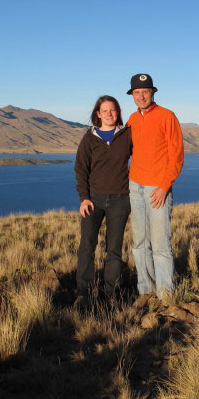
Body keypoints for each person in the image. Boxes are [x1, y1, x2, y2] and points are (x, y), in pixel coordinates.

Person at [126, 73, 184, 306]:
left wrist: (163, 186)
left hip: (157, 188)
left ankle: (166, 294)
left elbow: (177, 156)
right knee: (140, 242)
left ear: (153, 93)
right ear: (132, 95)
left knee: (160, 244)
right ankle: (145, 290)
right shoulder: (132, 118)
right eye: (137, 93)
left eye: (145, 92)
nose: (141, 96)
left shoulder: (167, 117)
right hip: (134, 186)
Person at [74, 95, 132, 307]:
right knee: (87, 246)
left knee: (114, 249)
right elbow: (81, 169)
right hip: (94, 201)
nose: (109, 114)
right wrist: (84, 198)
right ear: (97, 114)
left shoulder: (127, 135)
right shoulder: (89, 138)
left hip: (121, 200)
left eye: (113, 110)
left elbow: (142, 157)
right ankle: (84, 293)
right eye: (105, 110)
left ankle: (111, 294)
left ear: (118, 112)